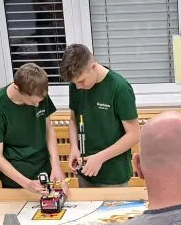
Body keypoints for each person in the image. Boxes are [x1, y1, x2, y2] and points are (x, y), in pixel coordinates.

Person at [59, 43, 140, 187]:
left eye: (81, 81)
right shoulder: (76, 86)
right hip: (85, 173)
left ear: (93, 66)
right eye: (74, 83)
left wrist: (100, 158)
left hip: (114, 177)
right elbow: (73, 120)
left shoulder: (120, 88)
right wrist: (74, 147)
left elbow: (134, 135)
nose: (78, 87)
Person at [0, 63, 66, 191]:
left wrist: (56, 165)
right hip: (16, 179)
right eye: (33, 102)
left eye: (40, 101)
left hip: (44, 168)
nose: (37, 105)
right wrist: (27, 183)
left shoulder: (38, 93)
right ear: (17, 88)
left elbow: (49, 130)